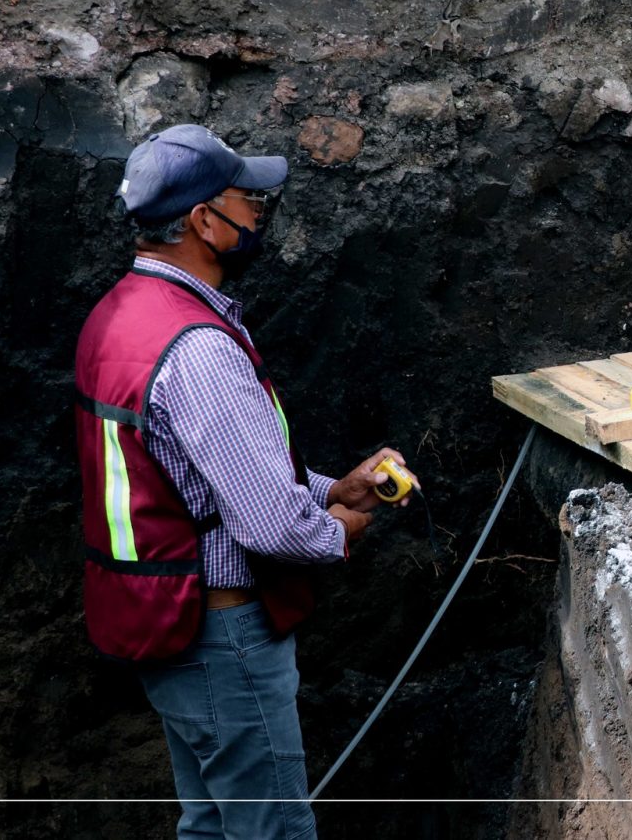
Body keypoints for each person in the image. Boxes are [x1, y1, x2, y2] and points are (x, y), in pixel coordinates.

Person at [74, 123, 419, 839]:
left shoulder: (118, 317)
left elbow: (196, 473)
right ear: (204, 220)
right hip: (222, 636)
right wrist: (341, 529)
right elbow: (271, 527)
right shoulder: (198, 348)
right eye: (246, 201)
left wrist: (330, 489)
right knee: (273, 832)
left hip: (165, 627)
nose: (258, 214)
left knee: (209, 823)